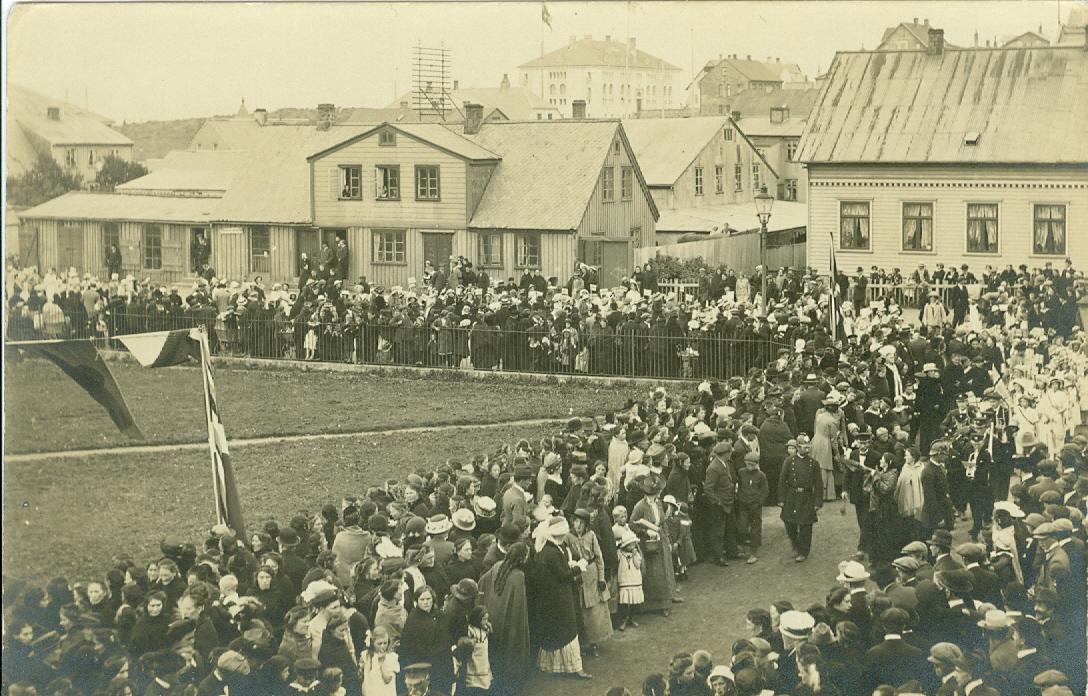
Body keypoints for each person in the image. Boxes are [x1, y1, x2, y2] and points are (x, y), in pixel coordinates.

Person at [529, 516, 591, 679]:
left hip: (555, 596)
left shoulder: (554, 548)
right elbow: (562, 575)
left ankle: (552, 665)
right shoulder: (552, 552)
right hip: (558, 596)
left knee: (557, 629)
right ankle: (573, 667)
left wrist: (569, 565)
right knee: (568, 627)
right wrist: (578, 567)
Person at [779, 435, 823, 562]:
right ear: (798, 447)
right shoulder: (789, 461)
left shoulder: (813, 463)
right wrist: (781, 499)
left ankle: (804, 551)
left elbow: (818, 484)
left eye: (809, 447)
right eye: (804, 447)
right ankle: (795, 544)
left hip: (807, 497)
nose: (807, 450)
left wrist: (817, 502)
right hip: (792, 496)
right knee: (789, 521)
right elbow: (782, 481)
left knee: (806, 526)